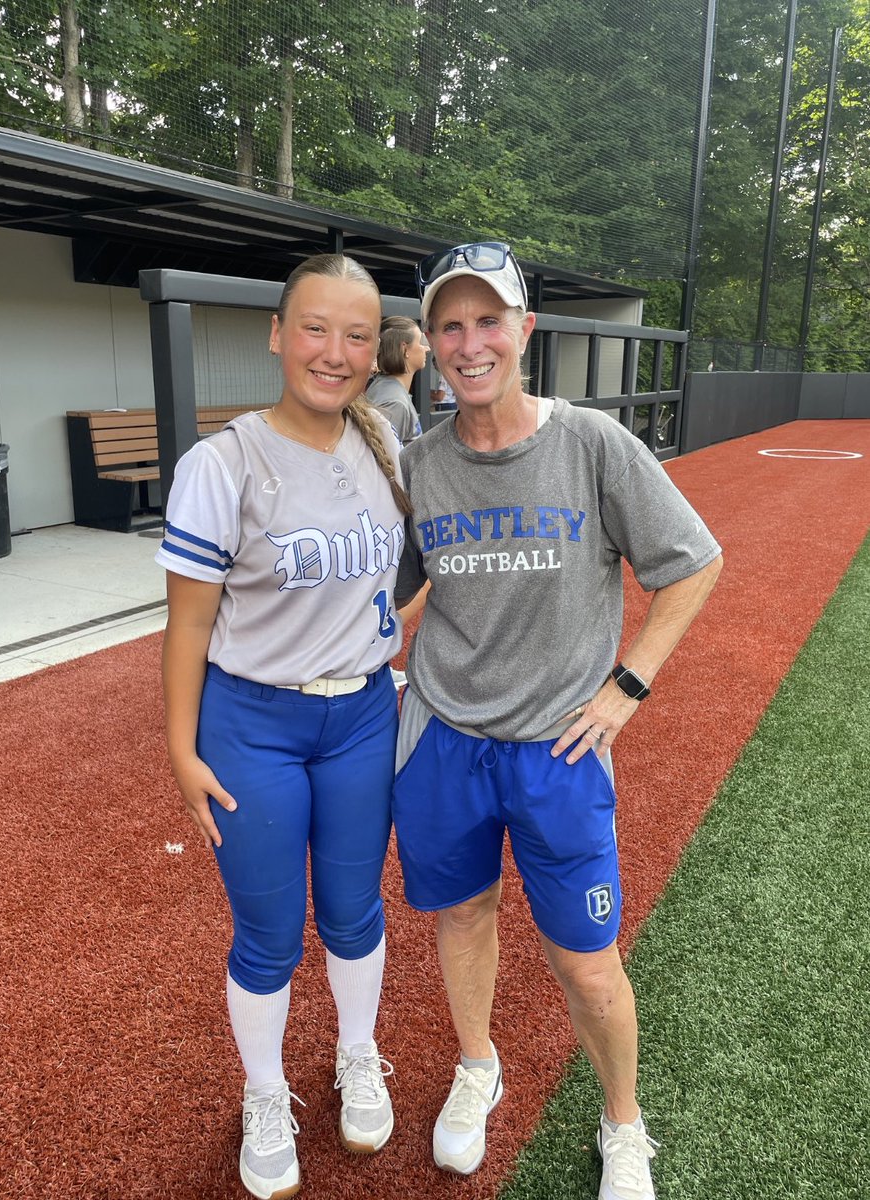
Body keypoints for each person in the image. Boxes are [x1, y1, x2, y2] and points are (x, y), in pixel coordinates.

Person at [392, 241, 723, 1200]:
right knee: (462, 912)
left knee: (586, 964)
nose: (468, 342)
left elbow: (692, 562)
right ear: (432, 343)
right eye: (450, 326)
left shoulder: (590, 445)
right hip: (444, 738)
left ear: (523, 331)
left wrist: (628, 685)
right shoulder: (420, 462)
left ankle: (624, 1122)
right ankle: (477, 1066)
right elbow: (404, 593)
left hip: (559, 749)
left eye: (487, 320)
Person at [156, 253, 412, 1200]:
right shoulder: (221, 463)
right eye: (314, 328)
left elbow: (392, 572)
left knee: (353, 911)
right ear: (276, 333)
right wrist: (181, 749)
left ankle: (356, 1053)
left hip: (358, 716)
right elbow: (187, 622)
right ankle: (265, 1094)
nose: (334, 352)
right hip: (251, 722)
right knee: (268, 931)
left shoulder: (381, 437)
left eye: (355, 334)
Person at [365, 315, 427, 445]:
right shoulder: (394, 403)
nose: (427, 348)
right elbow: (381, 458)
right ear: (404, 349)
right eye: (421, 342)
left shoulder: (384, 386)